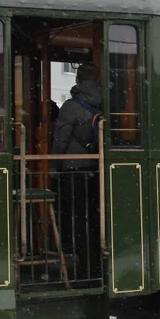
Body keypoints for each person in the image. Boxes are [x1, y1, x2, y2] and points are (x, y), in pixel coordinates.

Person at [52, 64, 103, 276]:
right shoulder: (106, 101)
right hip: (96, 168)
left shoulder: (71, 107)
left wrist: (53, 166)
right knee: (94, 215)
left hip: (74, 169)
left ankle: (80, 263)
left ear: (77, 79)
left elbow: (60, 140)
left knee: (75, 216)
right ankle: (95, 259)